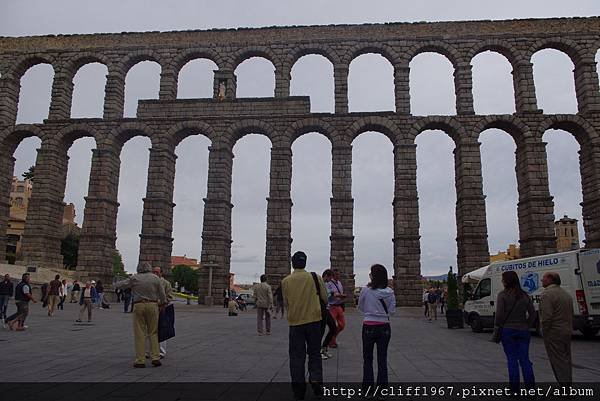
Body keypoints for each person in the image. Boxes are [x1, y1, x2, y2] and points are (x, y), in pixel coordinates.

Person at [282, 251, 327, 400]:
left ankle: (298, 390)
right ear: (305, 263)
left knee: (296, 356)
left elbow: (286, 302)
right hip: (314, 322)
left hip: (295, 324)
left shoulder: (286, 281)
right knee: (314, 353)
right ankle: (316, 381)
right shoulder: (315, 277)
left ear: (292, 263)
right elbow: (325, 299)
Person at [116, 262, 166, 368]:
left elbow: (121, 285)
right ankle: (156, 357)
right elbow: (162, 294)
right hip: (153, 305)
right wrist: (162, 303)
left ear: (138, 268)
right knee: (153, 332)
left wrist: (113, 284)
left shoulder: (135, 278)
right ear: (149, 269)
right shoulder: (155, 278)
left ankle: (140, 360)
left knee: (140, 333)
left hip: (139, 306)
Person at [495, 271, 536, 393]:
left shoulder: (502, 295)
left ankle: (514, 389)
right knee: (525, 359)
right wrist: (526, 325)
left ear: (507, 281)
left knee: (512, 360)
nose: (502, 282)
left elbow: (499, 315)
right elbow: (533, 314)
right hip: (523, 330)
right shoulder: (524, 295)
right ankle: (531, 388)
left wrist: (498, 326)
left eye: (503, 279)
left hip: (508, 330)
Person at [358, 264, 396, 388]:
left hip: (368, 326)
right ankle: (382, 390)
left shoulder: (365, 290)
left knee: (368, 359)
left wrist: (371, 312)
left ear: (373, 276)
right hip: (384, 327)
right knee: (382, 359)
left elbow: (360, 307)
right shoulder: (390, 292)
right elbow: (392, 311)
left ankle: (368, 390)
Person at [539, 272, 573, 384]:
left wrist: (544, 330)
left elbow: (546, 317)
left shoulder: (547, 295)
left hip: (554, 332)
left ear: (550, 279)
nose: (541, 280)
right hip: (566, 330)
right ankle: (567, 384)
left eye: (543, 278)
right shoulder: (565, 294)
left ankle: (564, 388)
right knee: (566, 359)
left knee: (557, 361)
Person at [153, 267, 174, 358]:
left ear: (161, 273)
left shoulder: (166, 283)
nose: (155, 273)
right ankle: (148, 351)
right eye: (153, 272)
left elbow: (169, 296)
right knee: (149, 330)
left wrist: (163, 305)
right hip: (151, 308)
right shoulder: (150, 282)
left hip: (162, 308)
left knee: (162, 330)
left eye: (157, 272)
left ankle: (161, 352)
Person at [326, 268, 346, 348]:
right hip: (332, 307)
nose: (338, 276)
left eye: (339, 274)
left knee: (342, 325)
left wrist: (341, 297)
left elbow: (339, 293)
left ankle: (332, 338)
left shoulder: (339, 283)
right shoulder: (329, 284)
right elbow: (331, 294)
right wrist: (341, 295)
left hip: (339, 306)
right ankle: (331, 341)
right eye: (336, 274)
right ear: (333, 275)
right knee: (332, 326)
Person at [320, 270, 337, 360]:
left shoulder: (326, 284)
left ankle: (324, 348)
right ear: (326, 275)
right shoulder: (320, 283)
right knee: (321, 331)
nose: (331, 280)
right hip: (321, 309)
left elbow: (329, 293)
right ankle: (319, 351)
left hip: (327, 309)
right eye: (330, 277)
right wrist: (331, 293)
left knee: (333, 328)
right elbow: (325, 295)